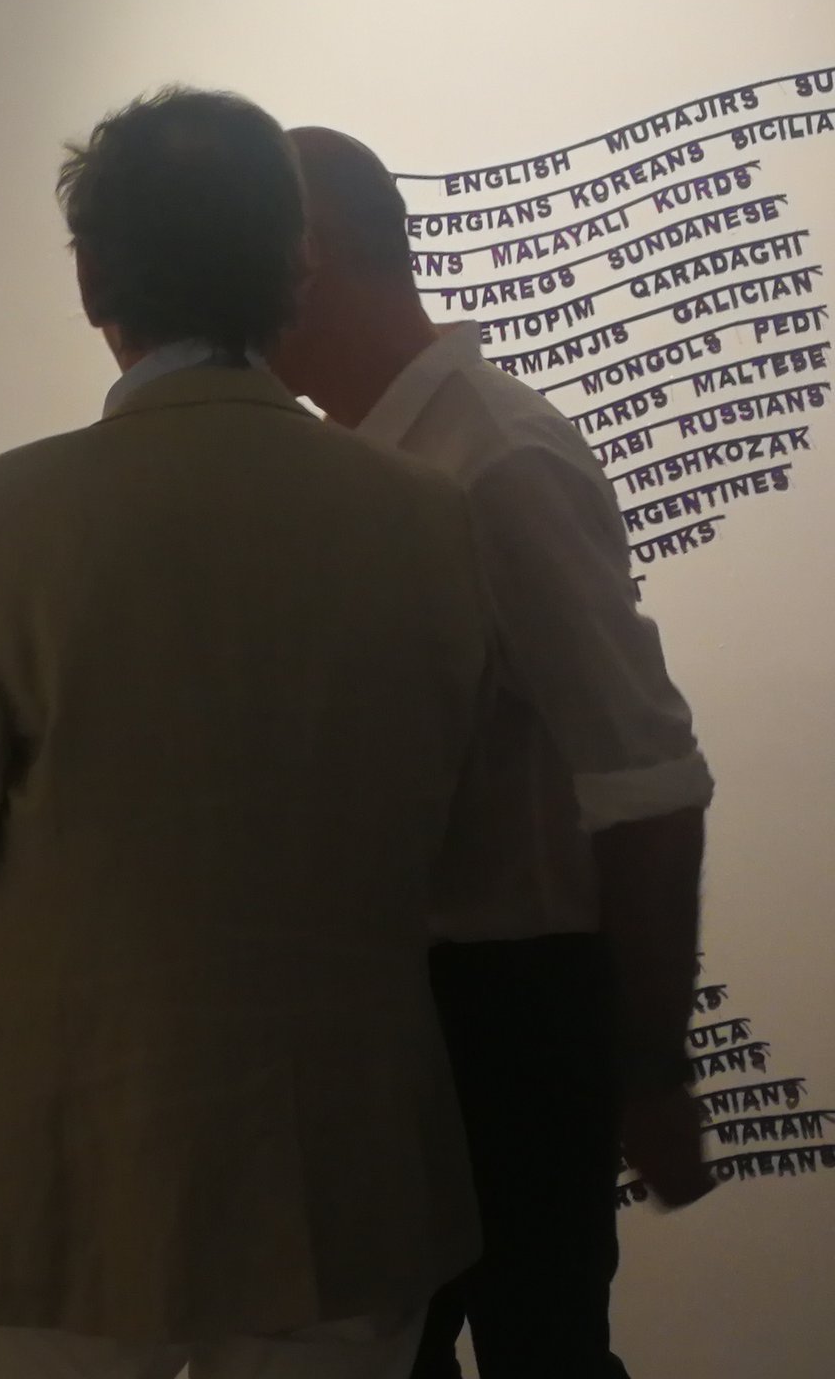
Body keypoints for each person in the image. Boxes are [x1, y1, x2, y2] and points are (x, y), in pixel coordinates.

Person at [0, 87, 496, 1379]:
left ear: (93, 275)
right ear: (293, 271)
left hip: (72, 1172)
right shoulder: (429, 518)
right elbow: (455, 828)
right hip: (346, 1164)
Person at [268, 127, 716, 1379]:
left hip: (508, 1014)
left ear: (306, 256)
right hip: (406, 1006)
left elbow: (645, 775)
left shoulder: (495, 462)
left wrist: (646, 1066)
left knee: (538, 1353)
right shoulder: (372, 460)